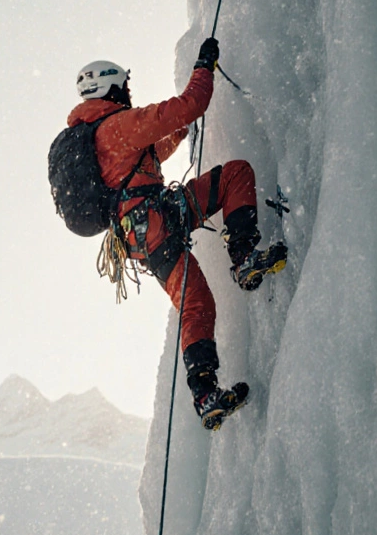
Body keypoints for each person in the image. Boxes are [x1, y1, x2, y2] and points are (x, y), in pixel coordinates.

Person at [68, 38, 287, 429]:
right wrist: (203, 66)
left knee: (196, 303)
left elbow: (144, 159)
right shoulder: (118, 125)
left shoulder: (102, 138)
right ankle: (243, 257)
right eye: (124, 88)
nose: (128, 94)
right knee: (235, 175)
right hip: (160, 219)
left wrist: (177, 132)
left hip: (142, 238)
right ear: (112, 87)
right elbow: (192, 103)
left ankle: (205, 394)